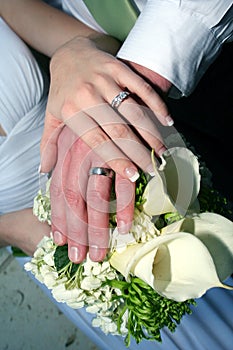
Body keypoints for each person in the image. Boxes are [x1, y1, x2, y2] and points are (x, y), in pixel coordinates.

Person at [0, 2, 232, 350]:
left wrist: (72, 54)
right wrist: (11, 229)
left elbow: (99, 43)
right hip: (68, 256)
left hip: (134, 155)